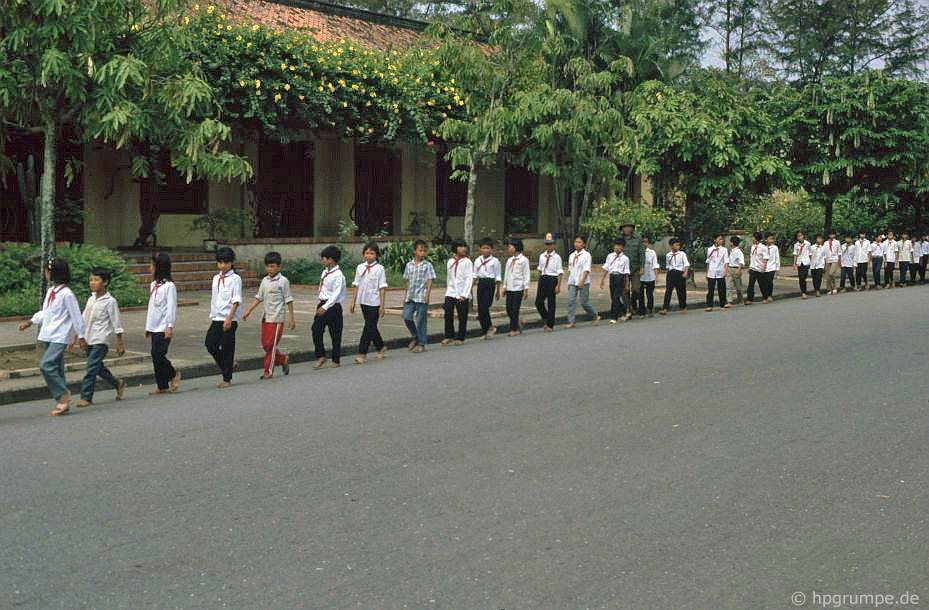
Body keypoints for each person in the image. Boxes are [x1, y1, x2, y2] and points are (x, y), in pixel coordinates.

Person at [18, 257, 85, 416]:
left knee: (46, 365)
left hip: (59, 337)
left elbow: (76, 316)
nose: (44, 273)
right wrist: (30, 322)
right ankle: (63, 403)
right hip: (47, 335)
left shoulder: (67, 294)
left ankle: (63, 396)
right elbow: (46, 312)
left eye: (46, 271)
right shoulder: (51, 292)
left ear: (53, 273)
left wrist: (81, 336)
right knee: (57, 368)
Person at [72, 268, 126, 408]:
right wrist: (76, 337)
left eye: (96, 280)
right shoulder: (91, 299)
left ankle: (86, 397)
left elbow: (116, 322)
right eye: (91, 280)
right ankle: (117, 383)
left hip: (101, 340)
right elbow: (83, 319)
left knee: (91, 369)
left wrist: (120, 342)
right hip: (89, 338)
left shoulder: (110, 301)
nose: (92, 283)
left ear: (105, 282)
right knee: (98, 368)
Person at [242, 251, 296, 378]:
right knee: (266, 345)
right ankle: (282, 359)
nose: (270, 269)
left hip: (277, 318)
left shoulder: (283, 281)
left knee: (271, 345)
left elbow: (289, 300)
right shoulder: (265, 281)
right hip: (266, 317)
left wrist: (291, 319)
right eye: (268, 266)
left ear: (278, 267)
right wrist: (248, 311)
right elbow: (259, 297)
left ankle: (268, 371)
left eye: (272, 266)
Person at [205, 247, 242, 388]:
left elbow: (236, 300)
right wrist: (213, 315)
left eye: (226, 263)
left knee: (227, 348)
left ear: (231, 263)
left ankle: (227, 379)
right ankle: (229, 364)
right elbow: (215, 299)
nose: (223, 266)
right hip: (216, 318)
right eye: (220, 262)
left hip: (229, 319)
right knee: (210, 344)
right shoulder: (216, 278)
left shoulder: (235, 279)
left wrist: (229, 318)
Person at [144, 252, 180, 395]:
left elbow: (171, 307)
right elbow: (151, 307)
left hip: (164, 326)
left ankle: (173, 374)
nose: (150, 268)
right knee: (155, 356)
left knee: (158, 353)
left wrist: (169, 326)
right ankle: (162, 385)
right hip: (154, 326)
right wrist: (148, 327)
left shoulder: (169, 286)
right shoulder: (153, 284)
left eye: (152, 265)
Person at [347, 243, 388, 364]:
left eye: (372, 253)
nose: (369, 256)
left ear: (376, 255)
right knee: (371, 326)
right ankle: (381, 347)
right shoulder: (360, 267)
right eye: (367, 253)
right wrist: (353, 302)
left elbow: (382, 287)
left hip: (375, 302)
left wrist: (382, 305)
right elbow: (356, 285)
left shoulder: (379, 269)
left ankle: (362, 353)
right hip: (363, 301)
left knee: (368, 327)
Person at [312, 245, 345, 369]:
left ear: (331, 260)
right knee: (316, 329)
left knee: (335, 333)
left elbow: (336, 294)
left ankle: (336, 359)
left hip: (333, 306)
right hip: (322, 303)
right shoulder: (325, 272)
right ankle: (320, 355)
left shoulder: (338, 275)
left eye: (324, 258)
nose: (322, 261)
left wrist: (325, 307)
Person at [402, 239, 435, 353]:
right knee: (407, 317)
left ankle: (422, 344)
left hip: (421, 296)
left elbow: (430, 280)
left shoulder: (427, 265)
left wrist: (427, 295)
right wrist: (405, 296)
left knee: (421, 320)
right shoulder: (409, 265)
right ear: (414, 251)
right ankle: (416, 336)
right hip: (410, 296)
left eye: (424, 251)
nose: (423, 253)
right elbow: (406, 281)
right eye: (420, 250)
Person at [442, 239, 473, 346]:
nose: (463, 248)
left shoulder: (467, 262)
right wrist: (447, 291)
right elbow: (449, 278)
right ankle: (449, 335)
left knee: (462, 315)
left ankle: (461, 337)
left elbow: (469, 279)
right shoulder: (450, 261)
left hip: (462, 293)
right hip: (451, 292)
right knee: (448, 312)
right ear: (455, 248)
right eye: (460, 246)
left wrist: (465, 294)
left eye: (464, 246)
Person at [565, 235, 599, 328]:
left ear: (583, 244)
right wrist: (569, 282)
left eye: (579, 242)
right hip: (573, 281)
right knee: (571, 301)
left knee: (584, 302)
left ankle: (595, 315)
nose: (577, 244)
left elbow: (587, 269)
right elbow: (570, 270)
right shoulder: (572, 255)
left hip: (583, 281)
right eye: (576, 242)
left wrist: (582, 281)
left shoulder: (587, 255)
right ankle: (571, 321)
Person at [472, 237, 501, 340]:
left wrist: (498, 291)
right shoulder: (477, 260)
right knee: (480, 309)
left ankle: (490, 327)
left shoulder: (495, 261)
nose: (485, 250)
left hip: (490, 284)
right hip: (481, 283)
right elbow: (475, 275)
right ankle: (485, 330)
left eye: (487, 248)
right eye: (483, 248)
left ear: (491, 249)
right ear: (480, 249)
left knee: (485, 306)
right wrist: (471, 287)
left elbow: (497, 277)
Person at [535, 232, 563, 332]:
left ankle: (550, 325)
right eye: (547, 243)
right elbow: (540, 269)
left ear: (554, 244)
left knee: (551, 302)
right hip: (543, 278)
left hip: (552, 279)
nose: (549, 246)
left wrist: (558, 286)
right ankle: (546, 318)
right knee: (538, 302)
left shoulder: (557, 257)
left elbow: (559, 273)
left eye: (551, 243)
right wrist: (539, 280)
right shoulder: (542, 256)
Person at [502, 238, 530, 336]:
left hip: (518, 288)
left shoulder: (524, 260)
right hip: (510, 287)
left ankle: (513, 329)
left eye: (510, 246)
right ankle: (518, 321)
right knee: (508, 309)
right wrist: (504, 286)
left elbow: (526, 274)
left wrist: (526, 288)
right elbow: (506, 274)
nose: (509, 248)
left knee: (515, 309)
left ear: (516, 247)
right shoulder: (509, 260)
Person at [600, 238, 630, 323]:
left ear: (622, 247)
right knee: (613, 298)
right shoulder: (610, 256)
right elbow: (606, 268)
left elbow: (626, 272)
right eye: (616, 245)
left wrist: (627, 284)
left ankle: (614, 317)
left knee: (616, 297)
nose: (616, 247)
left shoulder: (625, 258)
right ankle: (625, 311)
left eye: (619, 246)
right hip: (612, 277)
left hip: (620, 278)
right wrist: (602, 280)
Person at [619, 222, 645, 315]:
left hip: (635, 268)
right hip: (622, 270)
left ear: (632, 229)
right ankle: (629, 308)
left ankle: (633, 303)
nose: (626, 229)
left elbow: (642, 253)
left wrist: (642, 267)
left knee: (636, 289)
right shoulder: (619, 239)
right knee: (624, 291)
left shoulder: (638, 238)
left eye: (628, 227)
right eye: (624, 227)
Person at [660, 237, 689, 314]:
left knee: (681, 291)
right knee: (668, 291)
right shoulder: (668, 255)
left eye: (678, 245)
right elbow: (668, 265)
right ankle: (665, 308)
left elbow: (686, 264)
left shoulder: (682, 254)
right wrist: (668, 273)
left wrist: (685, 272)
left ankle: (683, 307)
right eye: (676, 245)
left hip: (679, 273)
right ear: (671, 246)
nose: (678, 246)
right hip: (671, 273)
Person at [705, 233, 730, 311]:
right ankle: (709, 305)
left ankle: (723, 304)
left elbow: (726, 261)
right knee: (710, 289)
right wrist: (707, 273)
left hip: (720, 271)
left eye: (722, 239)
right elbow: (708, 261)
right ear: (715, 240)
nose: (721, 240)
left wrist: (726, 271)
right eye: (720, 239)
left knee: (722, 289)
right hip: (711, 272)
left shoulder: (724, 249)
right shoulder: (710, 249)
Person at [638, 236, 660, 317]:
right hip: (640, 277)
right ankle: (641, 312)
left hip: (650, 276)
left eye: (646, 242)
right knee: (640, 295)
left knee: (650, 294)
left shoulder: (652, 252)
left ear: (648, 243)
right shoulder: (637, 252)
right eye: (642, 242)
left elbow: (655, 265)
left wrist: (657, 276)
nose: (644, 243)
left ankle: (650, 309)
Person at [746, 232, 769, 305]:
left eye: (753, 237)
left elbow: (766, 258)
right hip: (753, 268)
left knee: (762, 284)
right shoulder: (753, 246)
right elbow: (751, 257)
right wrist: (750, 267)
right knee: (750, 285)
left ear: (756, 239)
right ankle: (749, 299)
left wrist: (764, 267)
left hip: (760, 268)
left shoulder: (763, 247)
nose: (752, 239)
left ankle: (765, 297)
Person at [792, 232, 812, 299]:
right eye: (798, 236)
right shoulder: (796, 245)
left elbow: (810, 253)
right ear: (797, 237)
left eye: (801, 236)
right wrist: (794, 264)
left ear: (803, 236)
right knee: (801, 278)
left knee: (803, 277)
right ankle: (803, 292)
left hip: (806, 262)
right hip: (799, 262)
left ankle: (804, 292)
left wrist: (811, 263)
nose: (800, 237)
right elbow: (795, 254)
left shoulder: (808, 243)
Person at [727, 236, 745, 305]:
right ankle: (729, 301)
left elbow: (742, 262)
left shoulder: (738, 251)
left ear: (732, 243)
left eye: (730, 242)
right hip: (730, 268)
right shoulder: (731, 250)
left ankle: (740, 299)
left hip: (736, 268)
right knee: (729, 286)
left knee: (738, 286)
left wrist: (739, 270)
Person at [823, 230, 841, 294]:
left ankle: (835, 287)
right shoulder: (825, 243)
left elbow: (839, 252)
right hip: (827, 260)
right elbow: (824, 253)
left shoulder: (837, 242)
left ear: (835, 235)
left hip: (835, 259)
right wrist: (824, 262)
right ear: (828, 235)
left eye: (833, 234)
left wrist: (839, 261)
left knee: (831, 273)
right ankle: (829, 289)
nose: (832, 236)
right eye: (830, 234)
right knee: (827, 275)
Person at [763, 234, 780, 302]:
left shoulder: (775, 247)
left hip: (772, 267)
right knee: (765, 281)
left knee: (770, 281)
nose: (771, 240)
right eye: (770, 239)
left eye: (772, 239)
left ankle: (770, 295)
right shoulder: (763, 247)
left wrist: (777, 268)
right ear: (766, 239)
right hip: (765, 267)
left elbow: (777, 258)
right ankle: (765, 295)